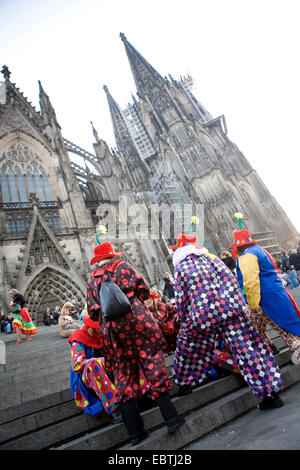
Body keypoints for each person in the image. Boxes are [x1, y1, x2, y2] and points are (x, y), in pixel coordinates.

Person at [169, 230, 284, 409]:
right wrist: (239, 304)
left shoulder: (182, 268)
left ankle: (185, 382)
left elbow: (182, 299)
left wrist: (183, 320)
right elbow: (231, 281)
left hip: (203, 313)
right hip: (230, 308)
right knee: (247, 348)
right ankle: (271, 393)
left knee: (188, 344)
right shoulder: (213, 258)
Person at [86, 237, 185, 446]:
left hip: (112, 330)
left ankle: (135, 433)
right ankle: (171, 419)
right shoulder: (122, 267)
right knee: (153, 364)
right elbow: (143, 288)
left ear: (97, 261)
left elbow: (93, 312)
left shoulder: (93, 280)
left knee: (123, 375)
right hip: (136, 320)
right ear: (112, 255)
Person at [230, 223, 300, 363]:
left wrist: (253, 302)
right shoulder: (259, 250)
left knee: (282, 326)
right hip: (274, 291)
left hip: (263, 297)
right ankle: (267, 349)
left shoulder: (247, 255)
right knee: (261, 327)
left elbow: (250, 281)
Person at [68, 313, 122, 424]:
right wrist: (102, 361)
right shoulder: (79, 337)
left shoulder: (105, 334)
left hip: (109, 373)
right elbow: (77, 364)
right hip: (89, 377)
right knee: (93, 364)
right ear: (91, 329)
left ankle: (142, 392)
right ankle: (114, 408)